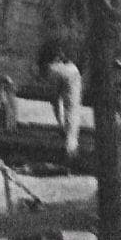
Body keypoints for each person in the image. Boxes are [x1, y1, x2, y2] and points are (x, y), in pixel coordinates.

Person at [37, 18, 85, 159]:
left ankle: (62, 126)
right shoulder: (74, 40)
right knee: (73, 107)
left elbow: (41, 63)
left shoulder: (48, 41)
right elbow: (81, 61)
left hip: (53, 68)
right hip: (71, 69)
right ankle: (71, 144)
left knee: (56, 101)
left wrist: (43, 76)